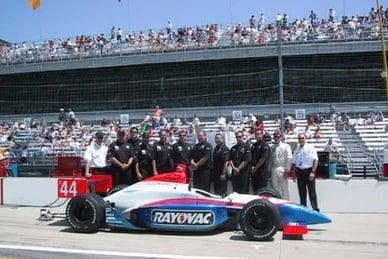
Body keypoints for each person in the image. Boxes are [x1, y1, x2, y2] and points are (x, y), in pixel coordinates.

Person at [292, 132, 319, 211]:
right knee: (302, 193)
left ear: (306, 139)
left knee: (312, 193)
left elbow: (315, 160)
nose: (301, 140)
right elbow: (294, 162)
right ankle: (304, 210)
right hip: (299, 172)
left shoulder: (311, 147)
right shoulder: (296, 149)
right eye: (299, 138)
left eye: (302, 138)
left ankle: (315, 210)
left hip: (309, 171)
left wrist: (313, 172)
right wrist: (294, 173)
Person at [270, 131, 293, 200]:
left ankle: (286, 203)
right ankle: (278, 204)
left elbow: (289, 158)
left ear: (280, 137)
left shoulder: (286, 146)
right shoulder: (272, 147)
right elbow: (271, 159)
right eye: (275, 137)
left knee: (284, 188)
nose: (276, 138)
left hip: (283, 168)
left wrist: (287, 169)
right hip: (274, 169)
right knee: (275, 189)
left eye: (278, 137)